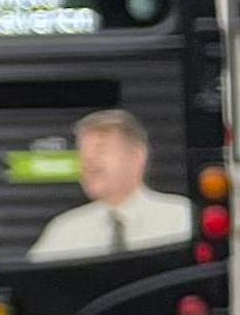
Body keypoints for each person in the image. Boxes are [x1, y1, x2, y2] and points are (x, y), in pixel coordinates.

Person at [31, 107, 198, 263]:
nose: (88, 160)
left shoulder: (182, 218)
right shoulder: (64, 231)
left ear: (136, 156)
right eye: (82, 152)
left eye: (100, 149)